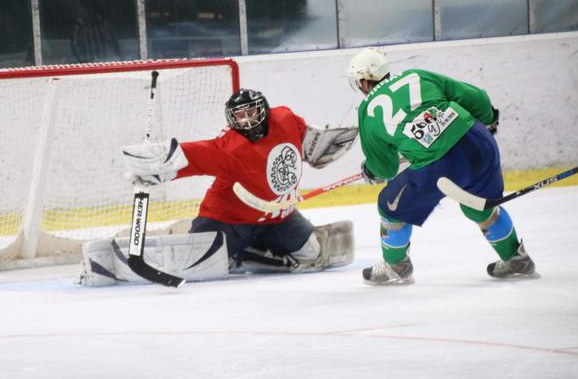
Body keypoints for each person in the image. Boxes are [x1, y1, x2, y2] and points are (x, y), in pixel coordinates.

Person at [346, 47, 537, 285]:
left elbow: (385, 168)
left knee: (389, 206)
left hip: (440, 165)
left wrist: (370, 170)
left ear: (364, 81)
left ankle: (396, 265)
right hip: (479, 142)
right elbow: (473, 96)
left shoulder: (368, 110)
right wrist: (488, 117)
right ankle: (516, 258)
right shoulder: (415, 75)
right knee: (478, 206)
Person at [121, 88, 358, 276]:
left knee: (311, 252)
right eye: (240, 116)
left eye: (251, 112)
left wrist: (323, 143)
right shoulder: (231, 149)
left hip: (278, 218)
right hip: (228, 220)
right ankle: (185, 232)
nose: (246, 120)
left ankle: (245, 254)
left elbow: (308, 142)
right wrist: (156, 164)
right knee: (201, 264)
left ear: (263, 109)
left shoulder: (285, 118)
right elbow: (193, 156)